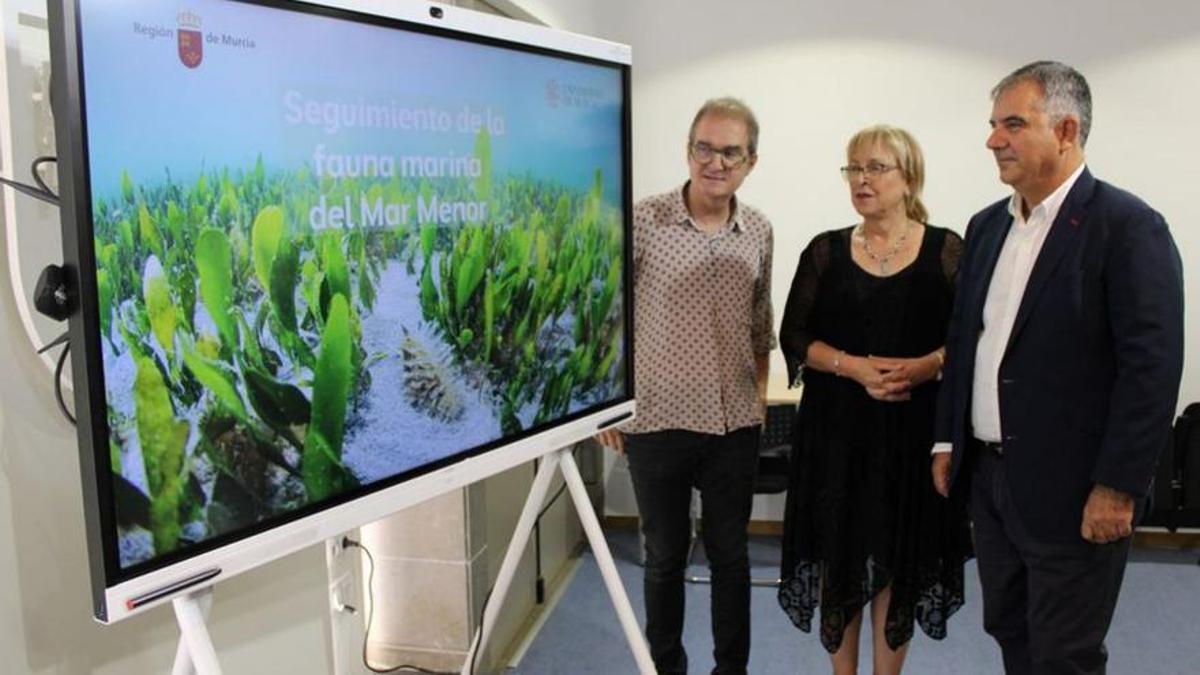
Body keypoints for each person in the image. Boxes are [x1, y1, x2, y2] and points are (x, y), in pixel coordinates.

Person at [931, 61, 1185, 675]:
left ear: (1066, 131)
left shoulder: (1127, 228)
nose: (993, 139)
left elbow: (1150, 371)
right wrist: (947, 438)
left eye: (1013, 124)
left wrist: (1118, 486)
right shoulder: (988, 226)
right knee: (1010, 631)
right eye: (993, 124)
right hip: (992, 481)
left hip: (1078, 492)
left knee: (1063, 653)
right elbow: (966, 341)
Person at [776, 125, 971, 675]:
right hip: (837, 433)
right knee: (841, 560)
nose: (861, 179)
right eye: (853, 168)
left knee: (898, 560)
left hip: (912, 435)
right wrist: (853, 367)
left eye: (875, 167)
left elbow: (972, 337)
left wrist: (928, 364)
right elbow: (794, 337)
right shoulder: (826, 251)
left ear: (908, 178)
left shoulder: (946, 250)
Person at [595, 97, 775, 675]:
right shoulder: (644, 221)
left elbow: (759, 325)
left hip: (733, 426)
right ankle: (666, 667)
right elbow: (606, 319)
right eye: (705, 147)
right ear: (688, 150)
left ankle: (731, 670)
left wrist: (759, 401)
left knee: (731, 559)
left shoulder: (760, 231)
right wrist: (608, 410)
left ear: (750, 161)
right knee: (664, 558)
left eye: (730, 152)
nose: (715, 162)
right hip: (657, 421)